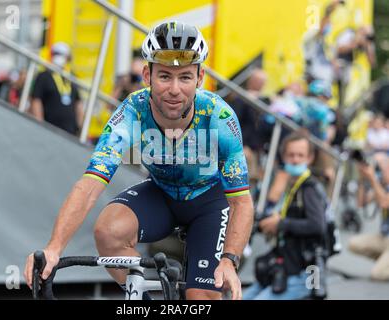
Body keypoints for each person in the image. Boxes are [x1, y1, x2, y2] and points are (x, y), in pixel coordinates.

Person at [24, 21, 254, 300]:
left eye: (185, 77)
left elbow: (241, 201)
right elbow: (89, 185)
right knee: (108, 232)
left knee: (200, 296)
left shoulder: (219, 117)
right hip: (161, 193)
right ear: (147, 74)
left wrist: (229, 260)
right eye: (165, 76)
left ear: (200, 77)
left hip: (209, 201)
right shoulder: (132, 111)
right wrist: (54, 248)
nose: (174, 89)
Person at [243, 132, 329, 300]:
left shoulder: (309, 188)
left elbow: (318, 226)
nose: (295, 160)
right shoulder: (290, 184)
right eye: (291, 155)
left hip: (301, 274)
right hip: (282, 268)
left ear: (309, 158)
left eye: (300, 155)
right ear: (283, 157)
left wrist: (281, 224)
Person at [349, 155, 389, 281]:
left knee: (377, 275)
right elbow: (361, 203)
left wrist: (372, 178)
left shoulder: (379, 185)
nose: (381, 171)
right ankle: (385, 261)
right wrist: (362, 178)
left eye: (383, 167)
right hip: (384, 238)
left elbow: (384, 203)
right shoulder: (383, 186)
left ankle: (384, 265)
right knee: (354, 244)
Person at [30, 42, 84, 135]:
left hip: (70, 131)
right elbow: (36, 101)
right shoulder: (43, 76)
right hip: (49, 129)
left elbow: (78, 104)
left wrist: (80, 128)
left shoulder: (70, 77)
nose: (59, 57)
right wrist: (39, 125)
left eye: (62, 55)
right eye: (56, 54)